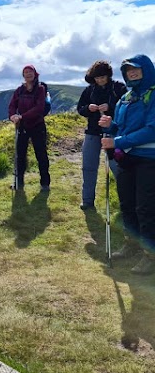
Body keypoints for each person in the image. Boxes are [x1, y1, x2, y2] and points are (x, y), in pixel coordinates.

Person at [100, 54, 155, 275]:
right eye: (128, 70)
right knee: (127, 204)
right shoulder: (127, 97)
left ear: (146, 70)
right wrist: (111, 126)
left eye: (136, 69)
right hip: (127, 158)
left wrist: (117, 142)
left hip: (148, 159)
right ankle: (132, 244)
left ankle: (149, 255)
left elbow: (152, 129)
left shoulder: (152, 94)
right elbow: (123, 128)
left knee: (146, 208)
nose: (132, 73)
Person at [77, 60, 127, 210]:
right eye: (97, 78)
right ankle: (87, 201)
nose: (99, 80)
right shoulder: (89, 90)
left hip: (113, 133)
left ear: (108, 75)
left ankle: (126, 201)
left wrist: (111, 107)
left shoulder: (118, 88)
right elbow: (80, 109)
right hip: (92, 132)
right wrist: (88, 108)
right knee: (89, 167)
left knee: (117, 166)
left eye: (102, 77)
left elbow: (126, 107)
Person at [8, 65, 50, 191]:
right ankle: (18, 182)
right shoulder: (19, 90)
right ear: (23, 75)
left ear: (35, 73)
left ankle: (45, 183)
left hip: (37, 125)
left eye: (30, 72)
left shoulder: (40, 89)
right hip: (22, 126)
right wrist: (12, 116)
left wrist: (21, 117)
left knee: (41, 154)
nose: (28, 74)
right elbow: (12, 105)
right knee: (20, 155)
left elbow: (39, 108)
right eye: (26, 72)